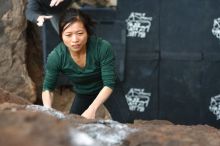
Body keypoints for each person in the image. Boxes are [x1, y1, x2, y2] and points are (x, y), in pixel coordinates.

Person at [42, 8, 133, 123]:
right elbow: (48, 89)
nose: (75, 40)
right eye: (68, 35)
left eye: (80, 33)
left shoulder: (103, 47)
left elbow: (109, 83)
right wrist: (48, 111)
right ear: (61, 36)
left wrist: (92, 109)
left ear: (87, 32)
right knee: (72, 124)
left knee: (126, 121)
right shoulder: (56, 56)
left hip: (107, 87)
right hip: (83, 91)